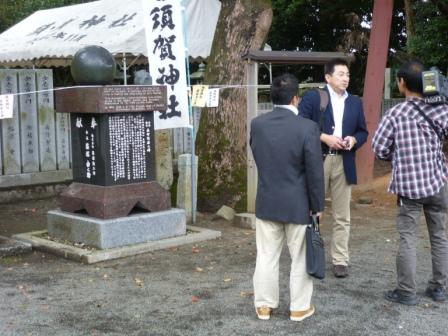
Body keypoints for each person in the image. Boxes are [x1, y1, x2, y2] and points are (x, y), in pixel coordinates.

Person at [372, 60, 448, 305]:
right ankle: (439, 288)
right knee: (439, 235)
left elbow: (379, 148)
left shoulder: (395, 113)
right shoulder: (441, 109)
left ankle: (406, 291)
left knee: (408, 237)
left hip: (408, 187)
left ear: (402, 83)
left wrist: (398, 155)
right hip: (437, 183)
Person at [250, 73, 325, 321]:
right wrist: (318, 205)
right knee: (300, 258)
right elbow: (315, 171)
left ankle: (264, 306)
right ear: (296, 99)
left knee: (266, 256)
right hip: (298, 204)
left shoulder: (258, 124)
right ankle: (299, 307)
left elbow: (259, 157)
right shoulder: (307, 127)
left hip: (267, 199)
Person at [299, 58, 368, 278]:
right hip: (318, 159)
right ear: (328, 77)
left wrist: (353, 141)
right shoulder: (313, 97)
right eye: (340, 74)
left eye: (347, 74)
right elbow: (301, 125)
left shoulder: (355, 102)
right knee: (312, 211)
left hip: (344, 160)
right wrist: (324, 137)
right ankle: (307, 255)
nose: (345, 78)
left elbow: (362, 131)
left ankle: (340, 260)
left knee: (342, 214)